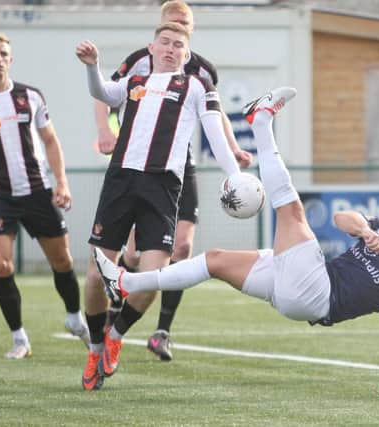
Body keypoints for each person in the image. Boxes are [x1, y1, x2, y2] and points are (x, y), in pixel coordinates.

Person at [93, 86, 379, 399]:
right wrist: (366, 231)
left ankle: (260, 121)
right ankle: (125, 282)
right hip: (299, 282)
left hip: (318, 296)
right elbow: (344, 219)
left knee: (292, 212)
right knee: (214, 259)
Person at [76, 22, 242, 390]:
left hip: (163, 187)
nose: (170, 48)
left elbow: (214, 131)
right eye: (164, 42)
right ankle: (96, 346)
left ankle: (117, 334)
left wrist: (235, 175)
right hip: (120, 181)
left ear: (187, 53)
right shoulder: (135, 82)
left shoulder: (197, 86)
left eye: (177, 44)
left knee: (154, 277)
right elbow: (103, 91)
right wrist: (92, 66)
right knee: (94, 275)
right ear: (151, 48)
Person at [0, 33, 90, 359]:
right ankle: (19, 338)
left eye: (3, 53)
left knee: (62, 261)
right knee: (2, 265)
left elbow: (51, 141)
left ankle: (75, 317)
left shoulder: (30, 96)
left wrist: (62, 183)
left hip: (37, 191)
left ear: (11, 59)